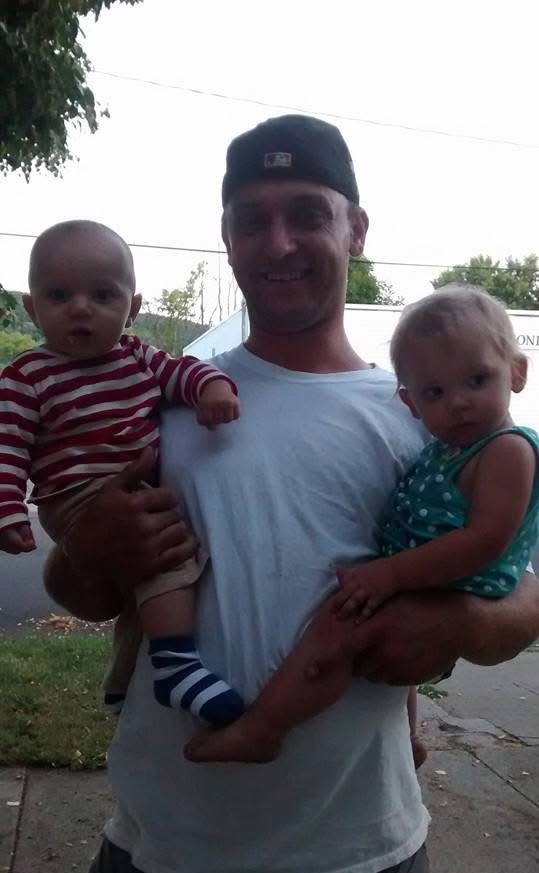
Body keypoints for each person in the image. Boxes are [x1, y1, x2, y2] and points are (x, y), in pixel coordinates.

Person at [46, 115, 539, 873]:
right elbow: (78, 591)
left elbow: (518, 585)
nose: (277, 242)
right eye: (252, 219)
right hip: (172, 841)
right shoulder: (162, 401)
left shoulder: (427, 412)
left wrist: (462, 621)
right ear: (227, 240)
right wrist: (89, 548)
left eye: (307, 212)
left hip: (360, 843)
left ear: (356, 228)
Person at [182, 285, 539, 765]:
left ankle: (264, 728)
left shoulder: (507, 449)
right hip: (426, 573)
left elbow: (487, 541)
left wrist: (392, 575)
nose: (458, 402)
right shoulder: (448, 445)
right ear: (410, 403)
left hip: (446, 579)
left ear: (516, 372)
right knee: (377, 648)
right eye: (436, 392)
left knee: (339, 629)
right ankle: (408, 736)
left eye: (477, 379)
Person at [0, 220, 244, 723]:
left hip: (133, 490)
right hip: (74, 495)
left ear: (132, 307)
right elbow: (7, 447)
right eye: (59, 295)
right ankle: (177, 667)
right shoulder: (26, 376)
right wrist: (8, 511)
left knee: (144, 585)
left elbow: (183, 371)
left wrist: (213, 387)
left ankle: (123, 683)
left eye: (102, 294)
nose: (81, 308)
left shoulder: (139, 357)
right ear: (32, 308)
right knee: (168, 560)